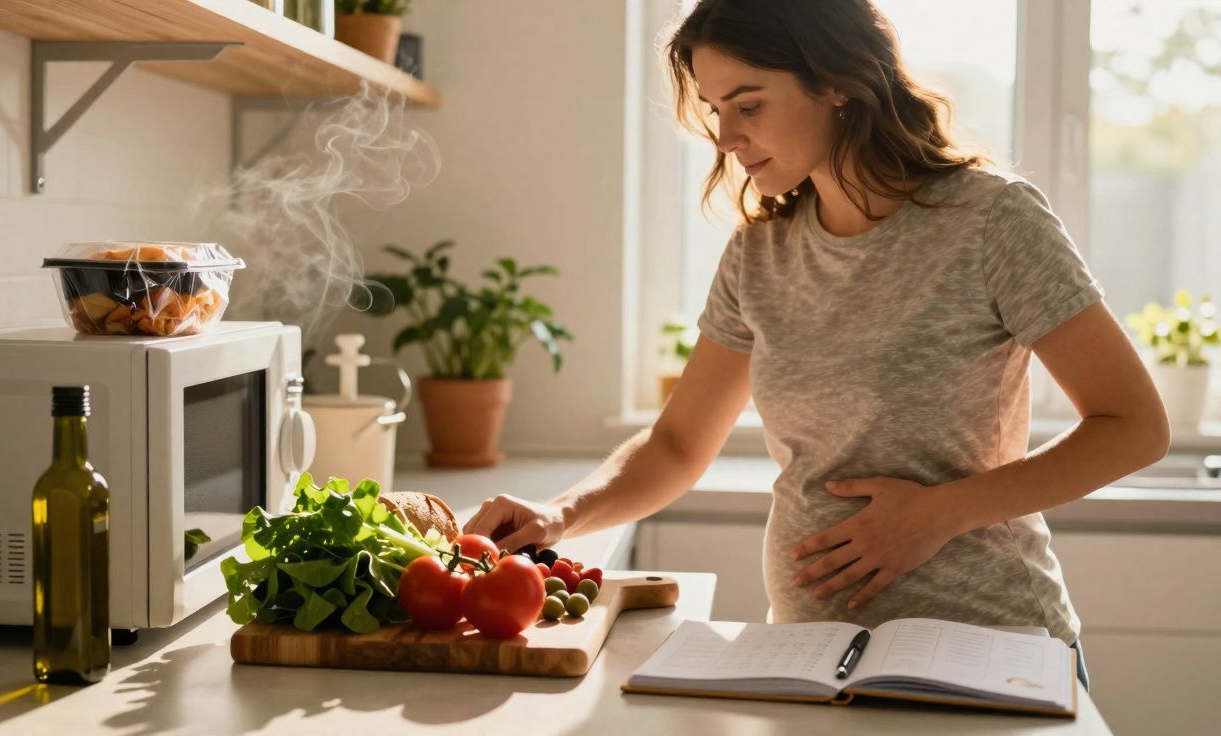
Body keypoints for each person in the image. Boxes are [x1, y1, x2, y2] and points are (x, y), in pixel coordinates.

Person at [462, 0, 1170, 693]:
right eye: (715, 110)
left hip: (990, 652)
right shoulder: (759, 253)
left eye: (749, 104)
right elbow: (677, 445)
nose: (726, 137)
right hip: (808, 658)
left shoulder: (992, 218)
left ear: (836, 83)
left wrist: (937, 514)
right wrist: (560, 515)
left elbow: (1134, 427)